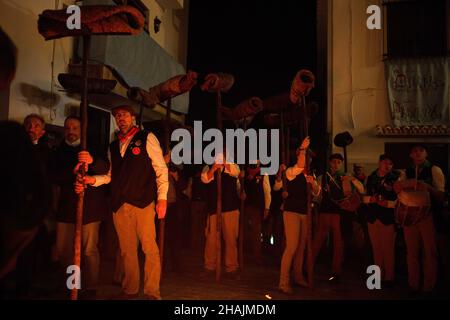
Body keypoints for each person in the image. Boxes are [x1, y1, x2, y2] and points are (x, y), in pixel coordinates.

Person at [78, 105, 168, 300]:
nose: (121, 118)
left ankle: (153, 292)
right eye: (117, 116)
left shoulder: (146, 138)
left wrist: (162, 198)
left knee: (149, 248)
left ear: (133, 118)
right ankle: (130, 290)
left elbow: (161, 169)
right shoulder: (113, 145)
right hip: (120, 204)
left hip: (143, 202)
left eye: (125, 115)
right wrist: (94, 180)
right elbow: (111, 175)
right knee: (127, 250)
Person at [54, 116, 109, 298]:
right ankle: (73, 284)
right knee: (64, 250)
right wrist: (72, 175)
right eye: (68, 127)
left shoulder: (93, 146)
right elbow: (52, 175)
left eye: (75, 127)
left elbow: (106, 170)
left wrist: (92, 161)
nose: (71, 131)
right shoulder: (58, 150)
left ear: (81, 129)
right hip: (66, 209)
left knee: (88, 249)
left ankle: (91, 287)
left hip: (90, 208)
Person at [394, 144, 444, 296]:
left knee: (429, 251)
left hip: (427, 216)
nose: (417, 153)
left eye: (420, 150)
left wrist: (427, 187)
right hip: (410, 216)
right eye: (414, 151)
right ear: (410, 155)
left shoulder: (434, 170)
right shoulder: (405, 171)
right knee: (412, 252)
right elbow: (397, 188)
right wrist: (405, 184)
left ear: (426, 153)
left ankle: (429, 286)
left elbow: (441, 195)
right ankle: (413, 285)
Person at [273, 137, 319, 294]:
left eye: (309, 157)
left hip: (305, 212)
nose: (308, 159)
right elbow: (299, 166)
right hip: (291, 211)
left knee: (301, 247)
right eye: (306, 156)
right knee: (292, 246)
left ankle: (298, 276)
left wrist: (313, 183)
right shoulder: (291, 171)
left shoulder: (310, 172)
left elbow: (317, 193)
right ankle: (283, 281)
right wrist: (302, 148)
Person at [313, 153, 365, 284]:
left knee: (338, 243)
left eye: (338, 162)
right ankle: (308, 265)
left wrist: (352, 180)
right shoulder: (323, 177)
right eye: (333, 162)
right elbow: (317, 196)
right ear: (330, 163)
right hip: (324, 212)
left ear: (341, 164)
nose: (336, 164)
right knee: (318, 240)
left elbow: (361, 190)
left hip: (339, 214)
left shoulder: (346, 177)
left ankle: (336, 271)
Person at [201, 151, 242, 277]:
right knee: (211, 239)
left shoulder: (233, 166)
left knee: (230, 239)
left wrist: (224, 164)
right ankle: (210, 266)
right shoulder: (208, 167)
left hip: (230, 208)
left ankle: (231, 267)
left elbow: (237, 173)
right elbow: (205, 179)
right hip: (214, 209)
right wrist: (214, 168)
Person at [363, 154, 400, 287]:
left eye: (390, 163)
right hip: (372, 217)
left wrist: (388, 204)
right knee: (376, 249)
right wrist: (370, 200)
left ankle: (389, 278)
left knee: (388, 249)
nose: (387, 166)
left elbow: (400, 200)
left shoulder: (396, 179)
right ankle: (377, 278)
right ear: (379, 163)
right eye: (385, 162)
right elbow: (363, 197)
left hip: (388, 218)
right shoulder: (370, 177)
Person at [243, 161, 271, 265]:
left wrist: (267, 207)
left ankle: (256, 256)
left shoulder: (264, 174)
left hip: (257, 206)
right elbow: (240, 186)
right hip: (245, 206)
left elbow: (267, 191)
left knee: (256, 231)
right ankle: (244, 254)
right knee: (244, 230)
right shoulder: (244, 172)